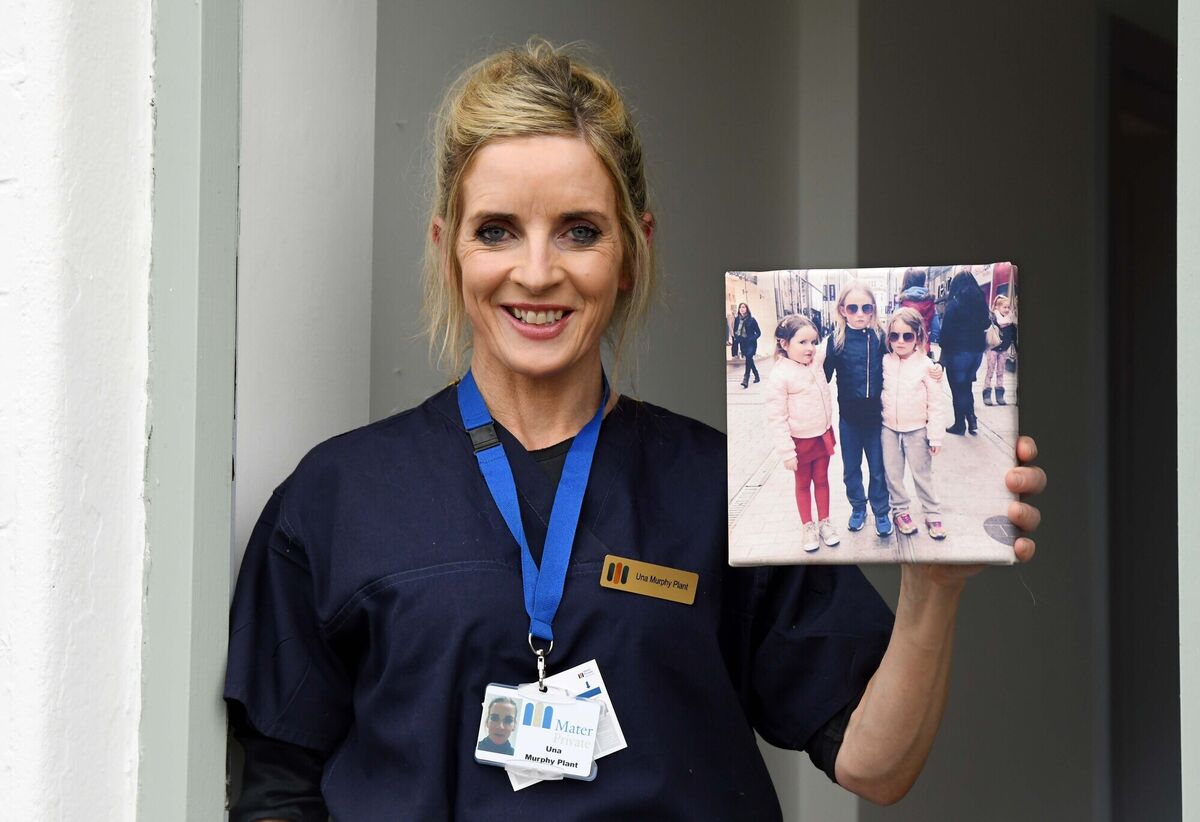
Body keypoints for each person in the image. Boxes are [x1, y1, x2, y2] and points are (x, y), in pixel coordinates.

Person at [224, 40, 1046, 820]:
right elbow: (276, 791)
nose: (538, 271)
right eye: (497, 229)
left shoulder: (724, 490)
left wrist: (933, 591)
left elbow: (876, 763)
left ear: (632, 251)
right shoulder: (337, 500)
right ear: (448, 250)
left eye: (580, 230)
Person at [822, 283, 893, 537]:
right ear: (843, 310)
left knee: (877, 468)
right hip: (849, 420)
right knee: (851, 468)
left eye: (866, 308)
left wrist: (933, 369)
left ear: (873, 309)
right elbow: (820, 378)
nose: (860, 313)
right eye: (853, 308)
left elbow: (903, 361)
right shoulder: (835, 341)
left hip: (876, 419)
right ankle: (858, 508)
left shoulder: (881, 338)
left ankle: (881, 511)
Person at [764, 314, 838, 552]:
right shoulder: (780, 375)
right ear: (784, 344)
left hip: (822, 435)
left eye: (813, 342)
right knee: (803, 484)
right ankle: (808, 526)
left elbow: (830, 342)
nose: (810, 348)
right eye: (803, 342)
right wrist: (787, 452)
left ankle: (825, 522)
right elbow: (777, 417)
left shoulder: (815, 361)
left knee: (823, 480)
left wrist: (845, 316)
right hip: (799, 443)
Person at [880, 308, 950, 540]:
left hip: (918, 430)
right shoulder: (885, 361)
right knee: (893, 474)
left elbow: (936, 404)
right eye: (894, 336)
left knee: (922, 474)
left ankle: (932, 512)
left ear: (918, 337)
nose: (900, 341)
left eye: (907, 336)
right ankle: (900, 511)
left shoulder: (927, 366)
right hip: (889, 429)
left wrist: (935, 436)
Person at [938, 270, 991, 435]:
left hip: (958, 354)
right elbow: (986, 323)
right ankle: (972, 419)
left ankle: (960, 424)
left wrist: (942, 351)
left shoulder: (954, 304)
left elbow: (945, 332)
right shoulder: (981, 302)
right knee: (966, 387)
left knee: (957, 389)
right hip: (975, 354)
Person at [983, 294, 1018, 406]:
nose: (1007, 310)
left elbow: (1013, 335)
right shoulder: (993, 319)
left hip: (1004, 350)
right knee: (990, 371)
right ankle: (987, 394)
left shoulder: (1010, 321)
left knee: (1000, 372)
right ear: (997, 308)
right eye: (1004, 307)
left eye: (1008, 307)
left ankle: (1000, 395)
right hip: (993, 349)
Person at [897, 268, 936, 353]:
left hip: (904, 350)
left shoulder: (901, 302)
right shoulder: (931, 302)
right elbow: (935, 332)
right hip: (923, 350)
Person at [733, 302, 761, 387]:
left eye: (744, 307)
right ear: (739, 309)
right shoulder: (737, 319)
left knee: (748, 358)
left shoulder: (752, 320)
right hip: (743, 343)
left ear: (747, 309)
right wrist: (737, 338)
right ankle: (756, 375)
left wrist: (752, 338)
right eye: (740, 307)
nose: (742, 309)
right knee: (749, 360)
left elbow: (759, 333)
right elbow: (735, 331)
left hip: (751, 343)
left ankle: (746, 378)